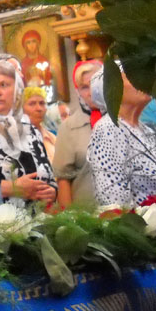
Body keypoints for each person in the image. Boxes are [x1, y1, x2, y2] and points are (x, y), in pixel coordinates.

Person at [0, 59, 57, 203]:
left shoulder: (31, 131)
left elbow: (49, 177)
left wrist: (52, 191)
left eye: (3, 85)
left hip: (37, 214)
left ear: (17, 89)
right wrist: (12, 188)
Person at [87, 67, 156, 208]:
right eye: (132, 76)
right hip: (140, 221)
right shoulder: (108, 128)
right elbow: (113, 201)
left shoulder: (146, 129)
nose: (143, 81)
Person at [53, 60, 102, 208]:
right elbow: (63, 179)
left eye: (95, 83)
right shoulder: (69, 127)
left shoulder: (121, 119)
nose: (91, 92)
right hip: (86, 213)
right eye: (84, 87)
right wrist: (71, 217)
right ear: (78, 92)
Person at [22, 86, 56, 163]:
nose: (39, 108)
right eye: (32, 104)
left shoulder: (51, 138)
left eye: (42, 103)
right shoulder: (17, 139)